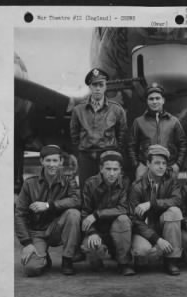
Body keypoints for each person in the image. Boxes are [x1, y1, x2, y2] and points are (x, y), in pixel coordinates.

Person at [15, 145, 81, 276]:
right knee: (31, 269)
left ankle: (67, 259)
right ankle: (44, 257)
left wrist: (48, 205)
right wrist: (27, 243)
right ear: (41, 161)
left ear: (61, 162)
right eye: (48, 160)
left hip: (57, 228)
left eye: (55, 161)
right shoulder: (29, 184)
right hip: (36, 232)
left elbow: (76, 200)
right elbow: (19, 214)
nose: (52, 164)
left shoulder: (69, 180)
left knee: (74, 214)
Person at [129, 145, 183, 275]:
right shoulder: (137, 186)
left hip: (163, 225)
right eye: (157, 163)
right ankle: (151, 253)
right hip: (144, 230)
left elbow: (177, 200)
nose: (161, 166)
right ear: (148, 163)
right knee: (142, 251)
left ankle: (171, 260)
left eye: (164, 163)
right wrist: (157, 239)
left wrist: (151, 204)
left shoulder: (171, 181)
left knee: (175, 211)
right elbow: (134, 219)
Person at [70, 68, 127, 188]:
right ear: (90, 87)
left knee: (108, 190)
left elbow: (122, 134)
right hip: (86, 156)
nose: (97, 88)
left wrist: (113, 153)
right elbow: (74, 134)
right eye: (94, 85)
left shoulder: (116, 109)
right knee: (86, 190)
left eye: (101, 85)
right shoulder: (78, 110)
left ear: (106, 86)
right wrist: (81, 152)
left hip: (108, 156)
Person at [81, 151, 135, 276]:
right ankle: (98, 259)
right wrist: (92, 232)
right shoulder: (90, 183)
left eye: (115, 169)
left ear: (120, 170)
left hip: (118, 229)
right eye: (108, 169)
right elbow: (84, 213)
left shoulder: (125, 182)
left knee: (123, 219)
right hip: (98, 229)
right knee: (92, 249)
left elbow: (124, 208)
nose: (111, 173)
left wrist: (97, 214)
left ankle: (123, 263)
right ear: (101, 168)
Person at [128, 82, 187, 180]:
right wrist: (137, 165)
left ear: (163, 100)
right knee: (145, 195)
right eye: (151, 99)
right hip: (146, 169)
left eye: (157, 98)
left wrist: (177, 165)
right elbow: (131, 146)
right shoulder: (138, 122)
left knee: (168, 195)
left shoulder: (173, 121)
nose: (154, 102)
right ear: (147, 101)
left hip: (168, 169)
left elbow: (183, 144)